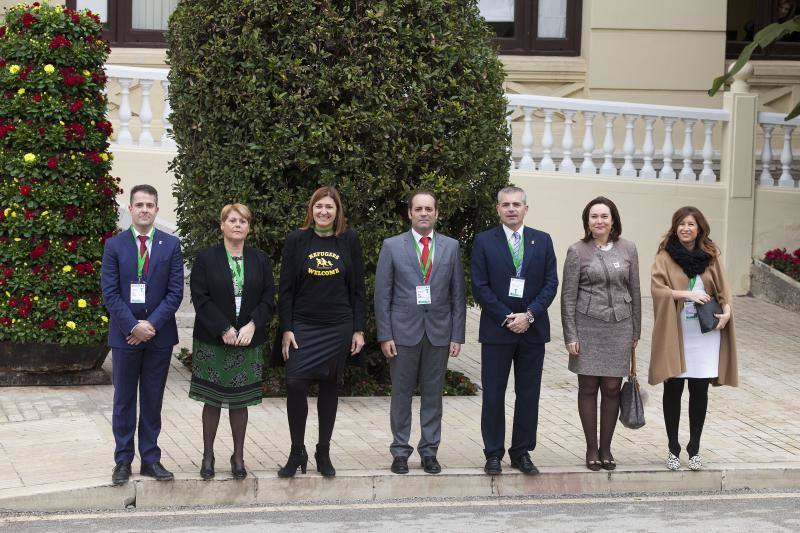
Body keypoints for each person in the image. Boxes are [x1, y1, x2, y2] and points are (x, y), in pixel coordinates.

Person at [374, 190, 467, 475]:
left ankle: (429, 451)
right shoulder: (392, 246)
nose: (424, 213)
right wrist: (385, 334)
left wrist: (457, 335)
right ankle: (400, 452)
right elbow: (382, 294)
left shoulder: (451, 247)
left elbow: (457, 295)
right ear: (410, 213)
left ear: (437, 213)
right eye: (418, 209)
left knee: (433, 396)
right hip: (402, 334)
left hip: (438, 332)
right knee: (401, 395)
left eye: (429, 209)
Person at [277, 186, 366, 478]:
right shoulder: (297, 240)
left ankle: (323, 451)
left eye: (329, 207)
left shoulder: (348, 240)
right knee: (295, 384)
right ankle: (296, 450)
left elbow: (358, 290)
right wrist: (287, 328)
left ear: (337, 211)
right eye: (319, 207)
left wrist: (358, 329)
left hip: (337, 326)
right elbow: (286, 289)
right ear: (311, 210)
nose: (324, 212)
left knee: (329, 387)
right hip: (303, 325)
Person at [470, 186, 558, 475]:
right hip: (498, 330)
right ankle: (493, 453)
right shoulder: (484, 241)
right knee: (494, 394)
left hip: (532, 330)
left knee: (528, 394)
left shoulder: (542, 241)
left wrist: (529, 315)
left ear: (526, 209)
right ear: (498, 209)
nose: (511, 209)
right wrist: (507, 318)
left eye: (516, 204)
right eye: (505, 204)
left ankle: (521, 452)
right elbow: (479, 285)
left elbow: (550, 283)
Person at [101, 184, 184, 485]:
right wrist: (133, 326)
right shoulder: (115, 245)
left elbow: (175, 293)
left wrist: (151, 326)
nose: (145, 210)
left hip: (159, 338)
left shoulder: (170, 245)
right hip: (125, 337)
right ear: (131, 209)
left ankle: (150, 459)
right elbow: (110, 293)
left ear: (157, 209)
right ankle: (123, 460)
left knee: (152, 400)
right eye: (139, 205)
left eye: (150, 205)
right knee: (124, 400)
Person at [188, 203, 275, 480]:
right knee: (212, 399)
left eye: (243, 221)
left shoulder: (259, 259)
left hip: (247, 340)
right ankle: (208, 455)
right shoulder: (206, 258)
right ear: (222, 225)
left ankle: (238, 456)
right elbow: (200, 297)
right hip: (214, 340)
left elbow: (268, 298)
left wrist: (252, 324)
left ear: (249, 228)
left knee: (240, 401)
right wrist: (223, 327)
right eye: (232, 220)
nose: (238, 225)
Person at [649, 206, 737, 471]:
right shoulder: (665, 257)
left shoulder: (710, 257)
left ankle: (695, 449)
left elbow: (725, 292)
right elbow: (658, 290)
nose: (686, 228)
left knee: (699, 390)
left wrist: (727, 313)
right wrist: (688, 295)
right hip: (676, 332)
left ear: (700, 228)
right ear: (675, 227)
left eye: (691, 224)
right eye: (681, 224)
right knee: (673, 388)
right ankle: (673, 448)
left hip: (705, 333)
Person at [560, 197, 641, 471]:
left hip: (620, 326)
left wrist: (636, 330)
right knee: (588, 387)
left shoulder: (628, 249)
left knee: (611, 388)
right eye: (594, 216)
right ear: (587, 222)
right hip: (587, 327)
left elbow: (635, 291)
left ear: (613, 220)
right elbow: (568, 297)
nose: (599, 221)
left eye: (604, 216)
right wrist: (570, 335)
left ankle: (607, 448)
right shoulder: (577, 251)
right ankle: (591, 448)